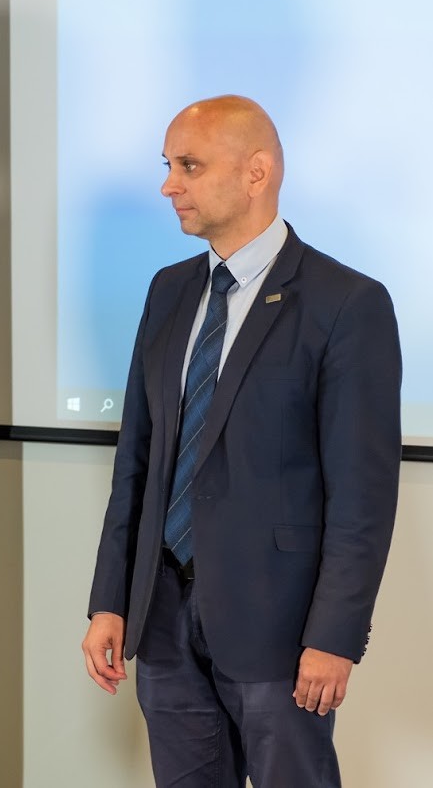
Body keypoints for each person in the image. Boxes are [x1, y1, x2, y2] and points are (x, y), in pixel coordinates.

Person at [80, 95, 401, 786]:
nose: (169, 185)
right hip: (162, 620)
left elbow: (362, 497)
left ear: (257, 172)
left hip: (280, 633)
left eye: (189, 166)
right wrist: (110, 598)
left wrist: (334, 636)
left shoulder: (347, 303)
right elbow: (136, 461)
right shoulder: (167, 290)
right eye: (167, 166)